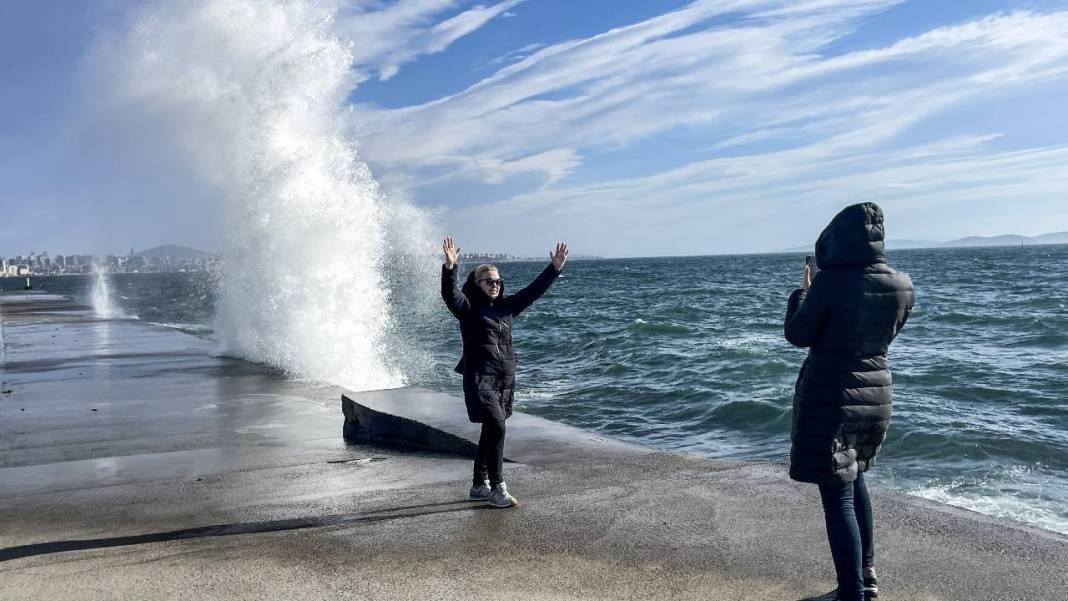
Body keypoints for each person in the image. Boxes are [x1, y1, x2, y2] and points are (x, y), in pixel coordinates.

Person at [784, 203, 913, 601]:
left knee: (837, 494)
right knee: (856, 481)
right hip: (877, 395)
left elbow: (798, 334)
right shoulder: (902, 284)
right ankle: (866, 579)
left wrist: (801, 293)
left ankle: (852, 593)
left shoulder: (831, 284)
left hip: (832, 395)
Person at [441, 237, 569, 508]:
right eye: (489, 281)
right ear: (477, 285)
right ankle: (498, 488)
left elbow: (533, 291)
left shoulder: (506, 308)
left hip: (504, 380)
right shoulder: (469, 310)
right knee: (497, 425)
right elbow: (450, 297)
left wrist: (554, 268)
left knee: (491, 429)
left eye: (498, 281)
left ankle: (478, 485)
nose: (495, 285)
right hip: (479, 378)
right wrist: (450, 268)